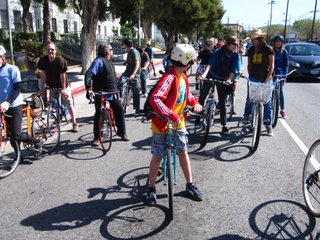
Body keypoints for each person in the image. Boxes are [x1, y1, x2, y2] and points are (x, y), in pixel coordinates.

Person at [145, 44, 203, 206]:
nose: (191, 65)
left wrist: (195, 103)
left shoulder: (182, 76)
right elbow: (155, 98)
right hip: (163, 124)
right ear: (186, 63)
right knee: (157, 156)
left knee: (183, 152)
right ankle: (151, 188)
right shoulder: (169, 77)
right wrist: (171, 115)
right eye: (191, 62)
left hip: (179, 123)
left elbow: (187, 95)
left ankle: (190, 184)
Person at [0, 45, 42, 154]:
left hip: (14, 105)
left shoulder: (12, 69)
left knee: (16, 135)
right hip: (2, 107)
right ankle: (18, 157)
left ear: (3, 57)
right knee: (10, 134)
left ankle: (37, 142)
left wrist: (7, 102)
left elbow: (18, 88)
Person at [85, 44, 129, 144]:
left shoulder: (109, 62)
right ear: (107, 51)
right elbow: (89, 74)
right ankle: (97, 137)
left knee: (119, 110)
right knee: (99, 113)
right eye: (111, 49)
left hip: (112, 92)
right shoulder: (98, 61)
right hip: (100, 92)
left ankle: (122, 132)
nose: (112, 51)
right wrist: (88, 89)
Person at [198, 36, 240, 134]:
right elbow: (210, 64)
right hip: (211, 74)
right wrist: (204, 74)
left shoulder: (235, 55)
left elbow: (233, 69)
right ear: (228, 43)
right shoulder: (218, 51)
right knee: (202, 96)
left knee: (222, 102)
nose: (235, 46)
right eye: (234, 44)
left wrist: (229, 79)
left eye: (236, 45)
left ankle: (224, 125)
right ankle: (198, 118)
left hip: (223, 78)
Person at [37, 42, 79, 132]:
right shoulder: (43, 61)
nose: (50, 51)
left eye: (52, 49)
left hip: (63, 85)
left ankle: (74, 123)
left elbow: (62, 75)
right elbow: (43, 75)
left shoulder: (60, 60)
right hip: (52, 86)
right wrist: (42, 89)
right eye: (48, 50)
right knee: (53, 104)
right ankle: (57, 120)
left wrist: (63, 89)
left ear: (55, 51)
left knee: (68, 103)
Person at [243, 29, 275, 136]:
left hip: (266, 78)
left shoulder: (268, 49)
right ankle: (246, 116)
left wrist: (266, 79)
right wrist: (250, 76)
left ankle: (268, 124)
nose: (252, 41)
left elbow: (272, 66)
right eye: (251, 39)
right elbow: (249, 64)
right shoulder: (251, 49)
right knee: (250, 99)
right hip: (254, 77)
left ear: (260, 39)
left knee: (267, 102)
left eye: (254, 39)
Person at [120, 38, 141, 116]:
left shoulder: (134, 52)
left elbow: (137, 64)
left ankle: (137, 109)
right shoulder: (129, 52)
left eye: (124, 45)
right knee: (120, 82)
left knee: (135, 91)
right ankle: (122, 102)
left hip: (134, 75)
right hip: (128, 73)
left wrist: (133, 74)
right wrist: (126, 62)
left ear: (126, 45)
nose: (123, 46)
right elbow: (131, 62)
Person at [273, 35, 289, 119]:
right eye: (276, 42)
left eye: (279, 42)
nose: (278, 43)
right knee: (270, 90)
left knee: (281, 91)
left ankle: (282, 109)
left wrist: (285, 75)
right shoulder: (271, 51)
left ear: (282, 43)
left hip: (281, 74)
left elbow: (286, 64)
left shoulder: (284, 52)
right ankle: (270, 108)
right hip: (272, 74)